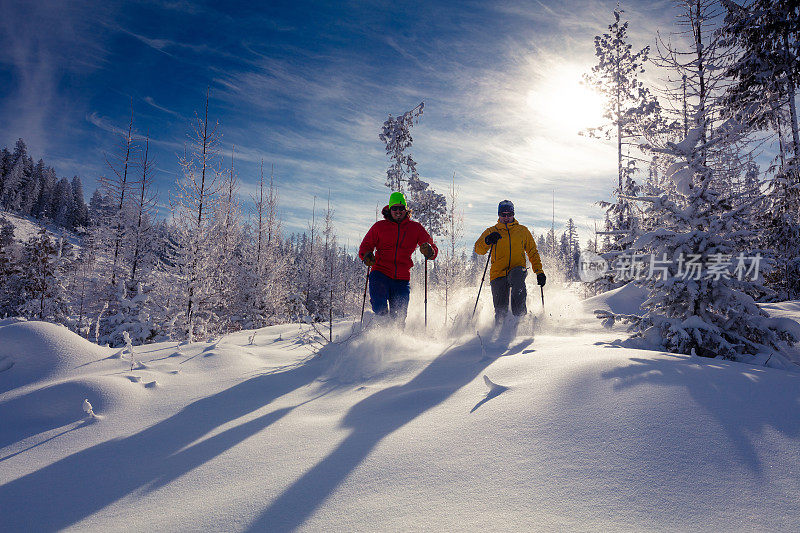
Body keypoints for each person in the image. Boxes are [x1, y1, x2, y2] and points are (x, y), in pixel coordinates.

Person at [359, 192, 438, 324]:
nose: (398, 211)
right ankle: (379, 336)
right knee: (380, 309)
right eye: (394, 208)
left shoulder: (415, 228)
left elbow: (432, 248)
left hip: (401, 279)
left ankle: (396, 341)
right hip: (380, 273)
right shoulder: (379, 227)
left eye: (401, 208)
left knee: (399, 317)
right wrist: (366, 255)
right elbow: (366, 245)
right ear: (390, 209)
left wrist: (430, 251)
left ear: (406, 210)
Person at [474, 199, 546, 324]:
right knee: (500, 311)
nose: (506, 217)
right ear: (499, 215)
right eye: (503, 214)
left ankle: (521, 320)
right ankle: (500, 335)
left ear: (513, 214)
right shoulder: (491, 231)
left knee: (517, 278)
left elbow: (532, 252)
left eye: (509, 214)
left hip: (517, 269)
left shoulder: (522, 231)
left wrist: (539, 272)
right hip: (497, 274)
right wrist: (487, 240)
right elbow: (478, 250)